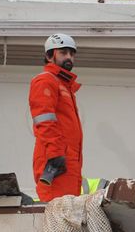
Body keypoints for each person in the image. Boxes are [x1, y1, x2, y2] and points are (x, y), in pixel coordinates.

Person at [29, 33, 83, 202]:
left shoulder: (64, 86)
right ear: (49, 56)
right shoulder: (46, 81)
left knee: (66, 214)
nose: (69, 57)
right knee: (57, 213)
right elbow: (44, 120)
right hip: (56, 161)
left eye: (72, 54)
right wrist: (55, 154)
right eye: (63, 52)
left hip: (67, 162)